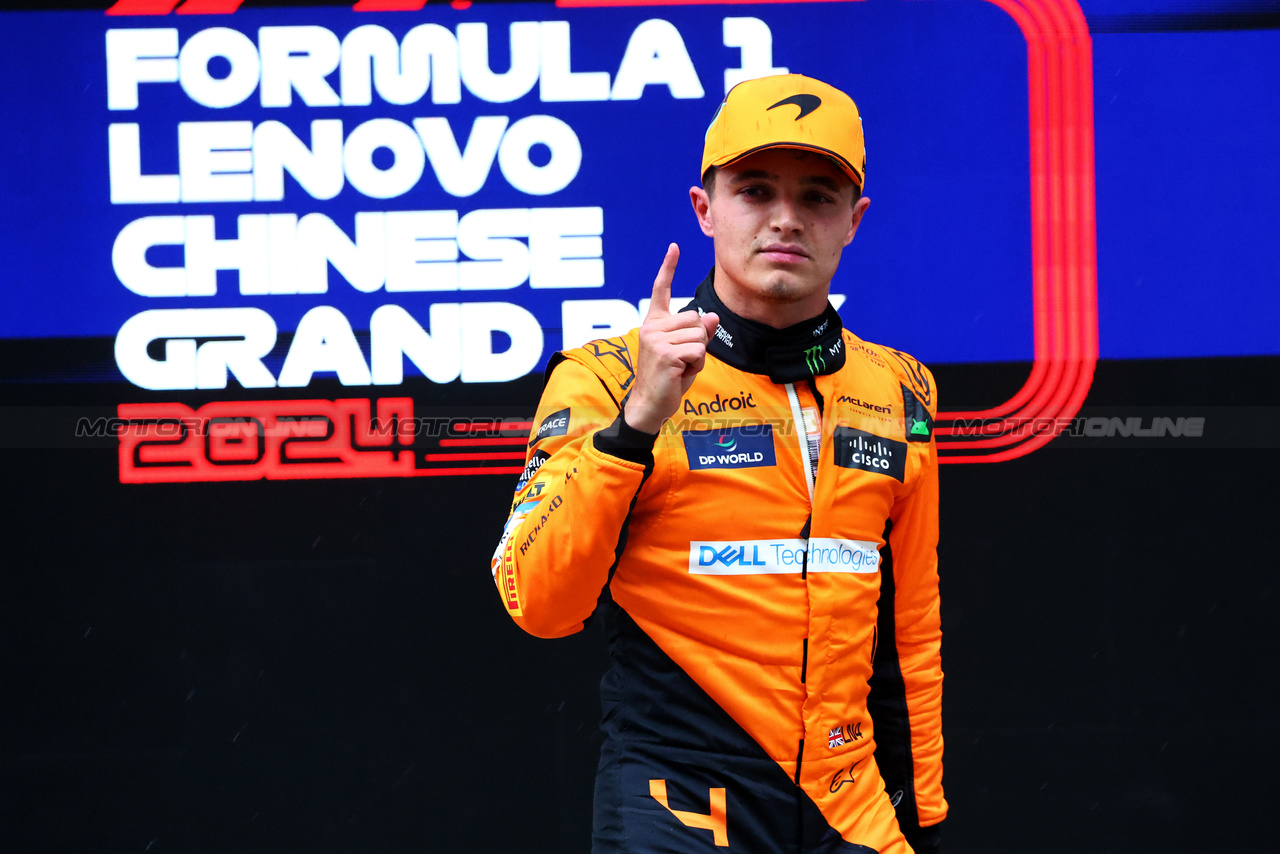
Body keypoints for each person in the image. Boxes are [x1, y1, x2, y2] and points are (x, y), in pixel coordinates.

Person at [492, 73, 945, 854]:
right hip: (680, 803)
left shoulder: (900, 387)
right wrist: (638, 423)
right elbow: (537, 601)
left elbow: (911, 634)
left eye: (818, 197)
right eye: (755, 190)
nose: (785, 219)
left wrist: (926, 818)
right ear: (704, 209)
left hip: (853, 810)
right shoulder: (605, 377)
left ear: (854, 222)